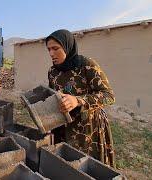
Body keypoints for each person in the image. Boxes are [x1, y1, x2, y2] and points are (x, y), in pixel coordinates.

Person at [46, 29, 116, 167]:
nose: (51, 53)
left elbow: (108, 96)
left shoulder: (87, 65)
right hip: (63, 127)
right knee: (66, 167)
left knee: (87, 167)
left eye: (55, 48)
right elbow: (53, 95)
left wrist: (78, 100)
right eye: (48, 49)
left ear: (67, 46)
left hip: (88, 130)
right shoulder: (53, 71)